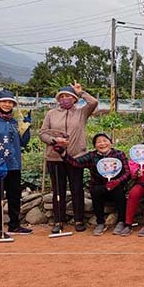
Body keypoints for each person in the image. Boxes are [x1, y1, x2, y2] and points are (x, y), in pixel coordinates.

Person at [38, 83, 98, 234]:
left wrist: (81, 92)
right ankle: (58, 220)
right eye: (62, 96)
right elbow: (42, 133)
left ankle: (79, 220)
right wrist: (54, 141)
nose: (65, 99)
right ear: (58, 99)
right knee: (58, 190)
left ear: (74, 99)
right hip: (55, 157)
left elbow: (94, 102)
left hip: (76, 156)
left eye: (69, 96)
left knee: (77, 189)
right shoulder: (51, 114)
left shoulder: (81, 112)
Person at [0, 90, 33, 242]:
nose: (7, 104)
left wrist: (27, 128)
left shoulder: (13, 122)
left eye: (10, 102)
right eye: (4, 101)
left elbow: (22, 143)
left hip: (13, 164)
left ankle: (14, 225)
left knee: (15, 196)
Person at [57, 132, 131, 236]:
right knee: (95, 190)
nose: (102, 144)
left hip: (116, 186)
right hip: (99, 187)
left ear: (111, 142)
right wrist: (63, 153)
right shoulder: (92, 156)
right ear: (95, 145)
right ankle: (100, 222)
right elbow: (75, 163)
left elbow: (128, 173)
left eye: (105, 141)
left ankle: (121, 221)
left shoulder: (119, 154)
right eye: (98, 142)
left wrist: (117, 181)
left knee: (119, 191)